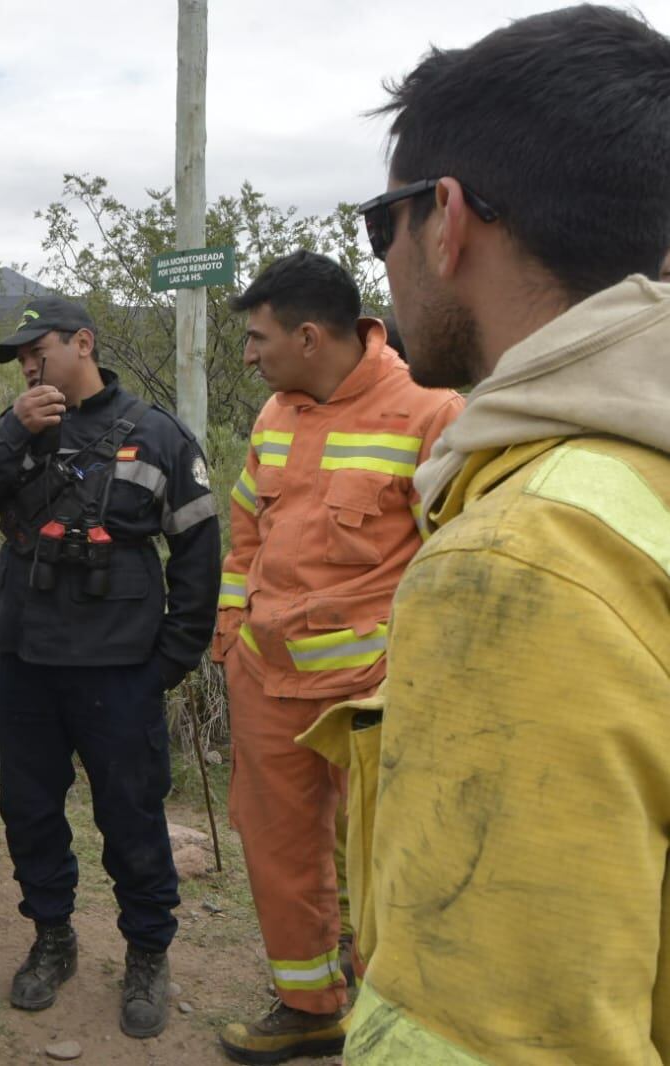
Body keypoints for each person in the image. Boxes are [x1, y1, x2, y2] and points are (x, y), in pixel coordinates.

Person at [341, 7, 670, 1061]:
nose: (384, 266)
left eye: (376, 224)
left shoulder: (525, 559)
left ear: (446, 218)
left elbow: (493, 1033)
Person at [0, 295, 219, 1039]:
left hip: (120, 666)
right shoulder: (19, 431)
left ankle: (146, 953)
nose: (28, 364)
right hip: (29, 661)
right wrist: (11, 428)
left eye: (38, 349)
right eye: (20, 358)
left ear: (83, 344)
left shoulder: (158, 436)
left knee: (129, 812)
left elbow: (198, 556)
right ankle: (52, 937)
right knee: (29, 811)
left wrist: (171, 657)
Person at [210, 252, 461, 1064]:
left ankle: (391, 1020)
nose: (249, 354)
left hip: (372, 696)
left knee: (392, 865)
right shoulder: (274, 416)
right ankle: (309, 1005)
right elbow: (246, 533)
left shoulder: (431, 412)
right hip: (264, 681)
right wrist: (229, 636)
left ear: (309, 335)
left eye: (257, 338)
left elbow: (451, 565)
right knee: (277, 852)